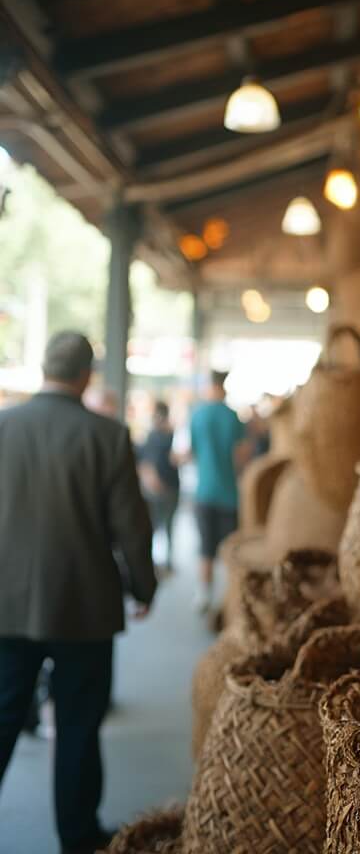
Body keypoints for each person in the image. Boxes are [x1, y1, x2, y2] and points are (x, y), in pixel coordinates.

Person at [0, 331, 157, 854]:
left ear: (43, 368)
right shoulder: (107, 435)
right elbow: (131, 526)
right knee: (77, 726)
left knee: (1, 718)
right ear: (86, 375)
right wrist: (143, 585)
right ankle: (77, 835)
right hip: (83, 608)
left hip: (6, 603)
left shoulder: (3, 427)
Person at [185, 370, 249, 614]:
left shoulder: (197, 414)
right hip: (229, 494)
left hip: (204, 492)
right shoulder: (233, 417)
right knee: (230, 548)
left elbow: (189, 452)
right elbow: (242, 455)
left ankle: (204, 594)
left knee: (205, 547)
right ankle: (230, 597)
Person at [137, 400, 180, 574]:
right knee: (155, 526)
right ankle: (154, 562)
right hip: (156, 488)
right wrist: (150, 479)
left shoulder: (171, 434)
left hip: (169, 486)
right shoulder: (152, 435)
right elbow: (144, 462)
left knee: (167, 526)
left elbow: (176, 458)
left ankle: (166, 562)